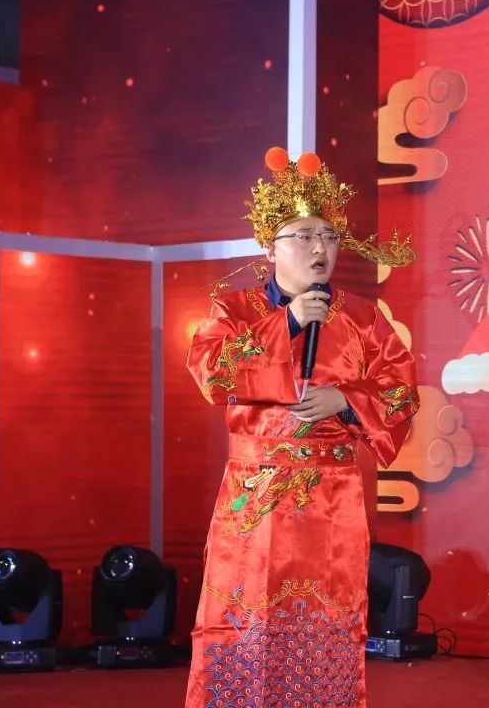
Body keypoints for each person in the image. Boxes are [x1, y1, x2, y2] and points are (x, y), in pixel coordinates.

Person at [184, 147, 419, 708]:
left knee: (325, 616)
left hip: (330, 501)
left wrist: (346, 399)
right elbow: (213, 373)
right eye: (304, 236)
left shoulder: (362, 317)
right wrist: (287, 322)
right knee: (242, 616)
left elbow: (401, 390)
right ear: (271, 247)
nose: (320, 249)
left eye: (329, 237)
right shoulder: (234, 311)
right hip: (254, 495)